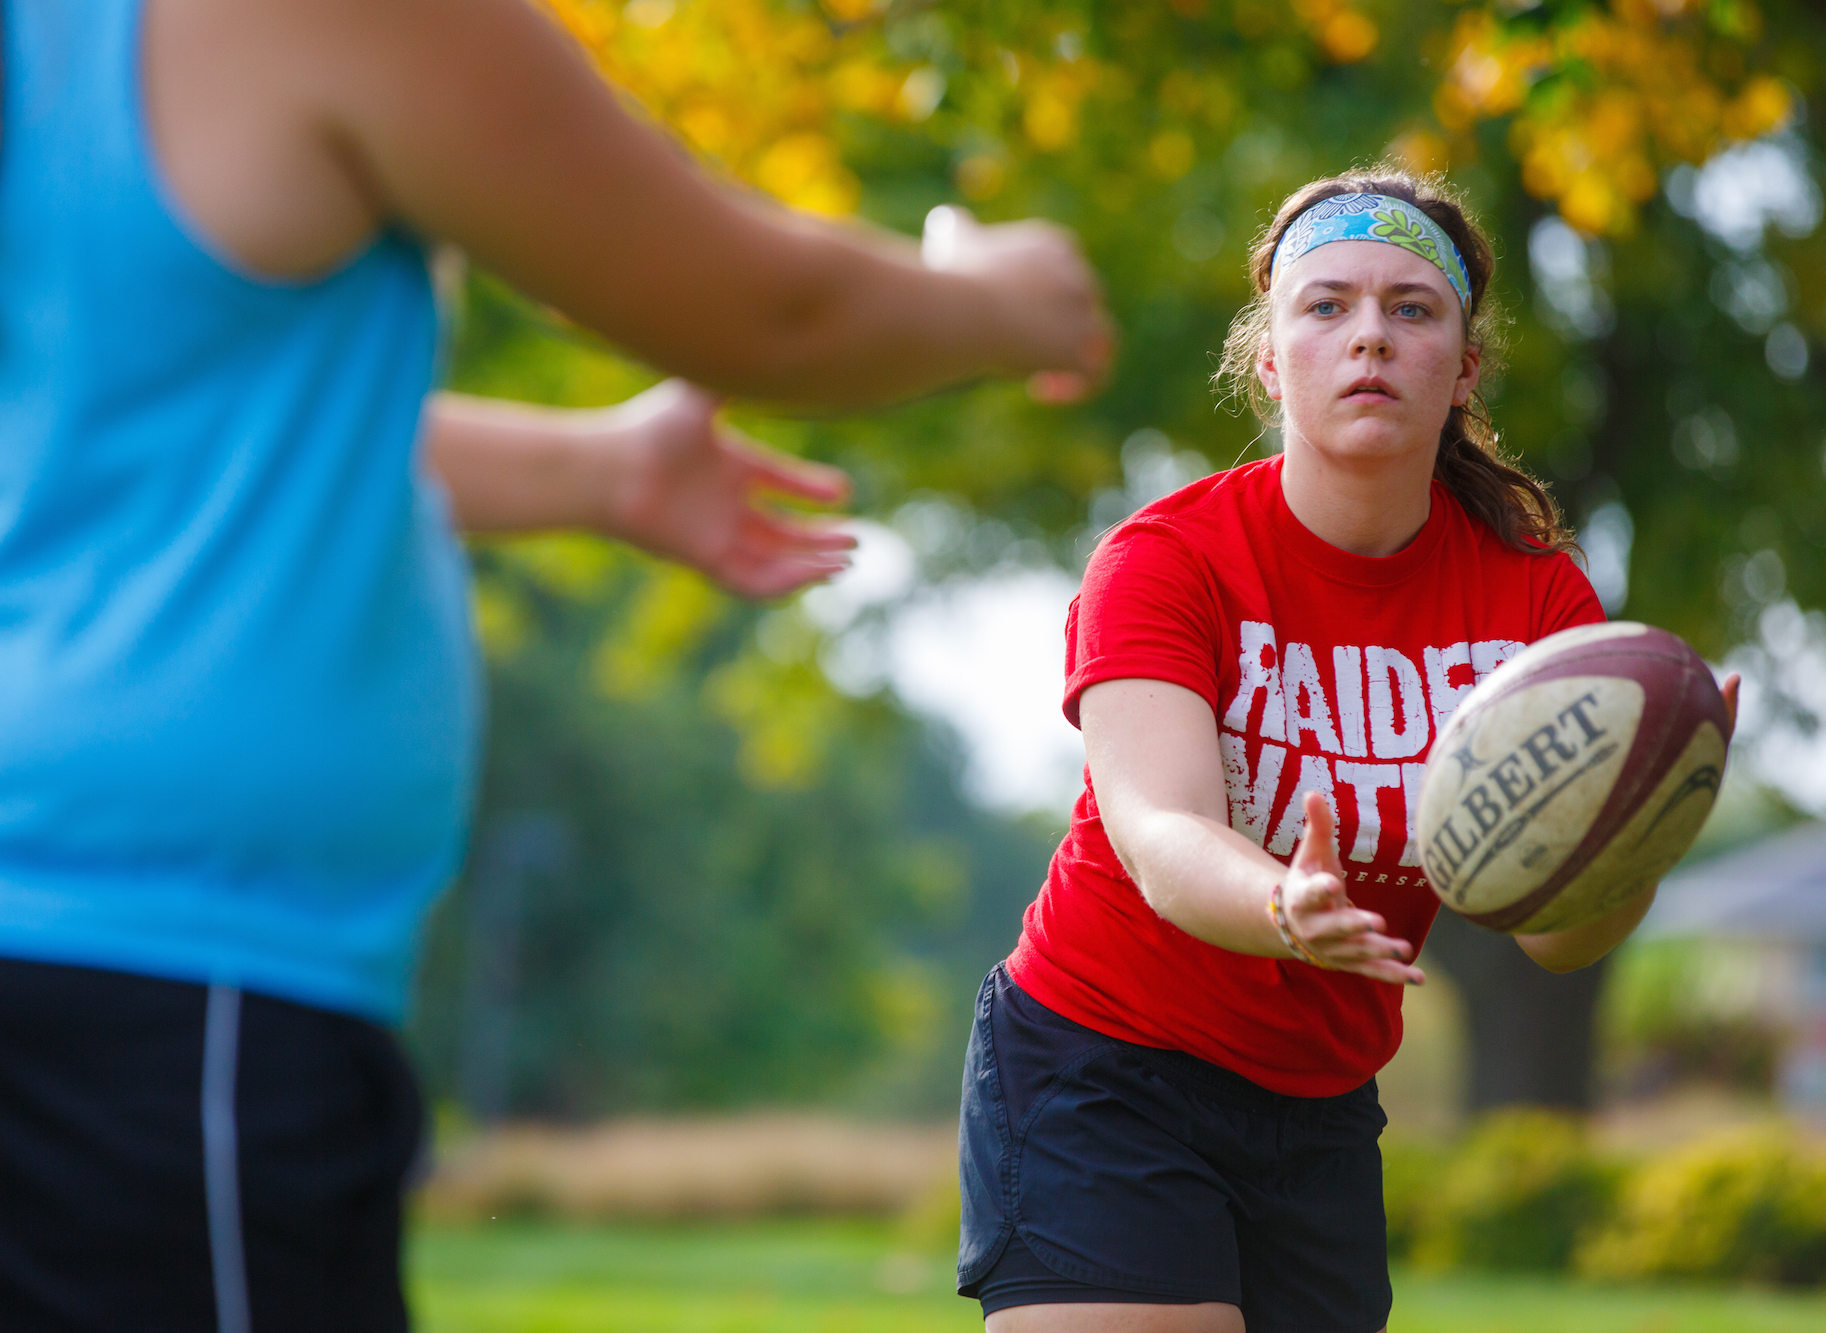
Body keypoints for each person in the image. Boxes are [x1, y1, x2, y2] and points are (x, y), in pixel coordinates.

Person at [0, 0, 1109, 1329]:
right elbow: (772, 308)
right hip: (154, 993)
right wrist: (1005, 299)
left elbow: (156, 420)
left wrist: (596, 470)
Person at [955, 169, 1739, 1333]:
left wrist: (1637, 833)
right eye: (1324, 306)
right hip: (1102, 1062)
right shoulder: (1167, 559)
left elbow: (1553, 931)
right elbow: (1160, 833)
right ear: (1269, 358)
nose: (1367, 333)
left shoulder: (1536, 600)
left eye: (1409, 309)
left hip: (1318, 1102)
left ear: (1464, 367)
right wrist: (1284, 904)